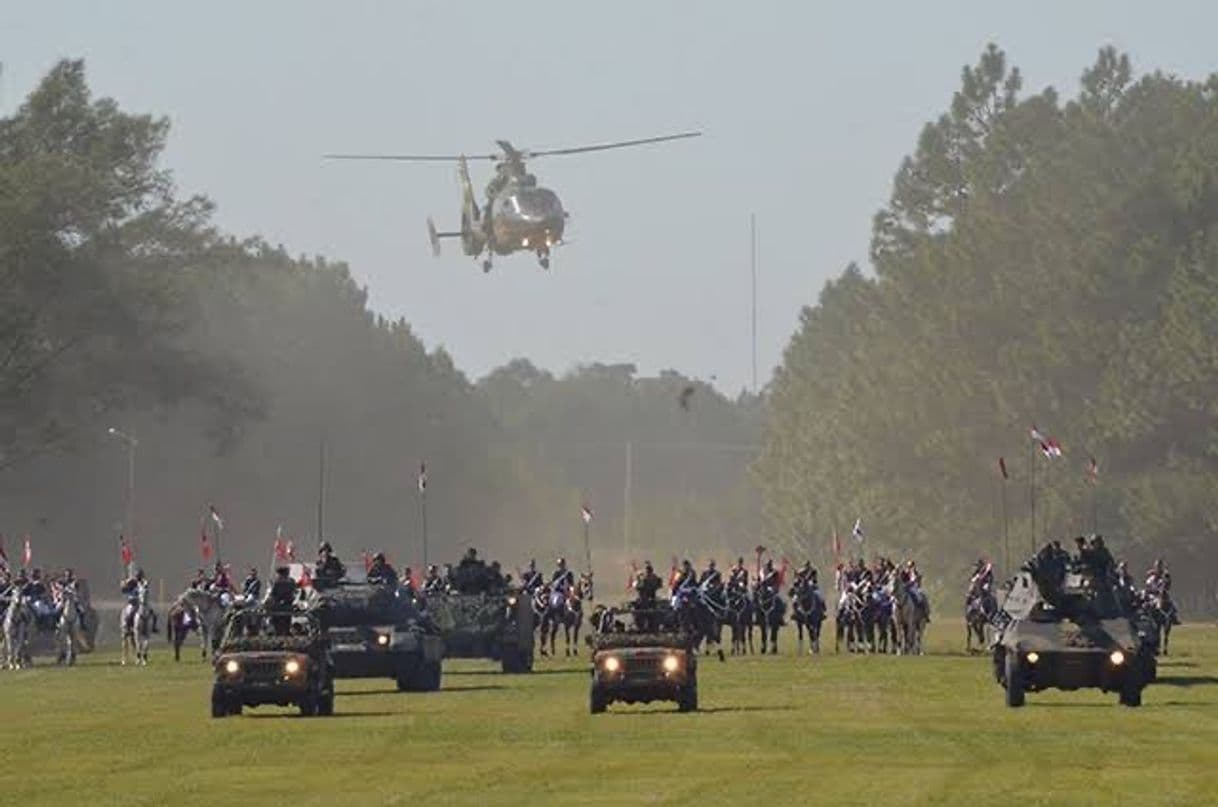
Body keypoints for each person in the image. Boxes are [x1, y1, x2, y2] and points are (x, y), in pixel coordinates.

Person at [267, 566, 298, 636]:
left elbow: (293, 593)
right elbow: (273, 594)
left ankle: (283, 631)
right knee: (280, 619)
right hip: (282, 605)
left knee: (283, 619)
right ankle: (280, 631)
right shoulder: (279, 582)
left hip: (284, 605)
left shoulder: (281, 583)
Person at [632, 561, 663, 632]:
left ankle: (643, 628)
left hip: (645, 600)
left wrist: (638, 579)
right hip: (650, 599)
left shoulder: (645, 579)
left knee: (642, 615)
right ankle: (649, 628)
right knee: (649, 616)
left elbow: (638, 587)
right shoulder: (653, 578)